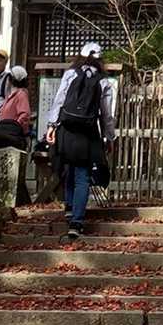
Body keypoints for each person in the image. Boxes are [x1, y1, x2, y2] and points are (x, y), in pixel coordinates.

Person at [47, 41, 116, 239]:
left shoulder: (71, 73)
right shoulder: (104, 82)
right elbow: (107, 114)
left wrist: (51, 126)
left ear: (81, 56)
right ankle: (76, 222)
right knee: (82, 175)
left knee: (69, 166)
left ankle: (69, 208)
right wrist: (109, 137)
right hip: (88, 132)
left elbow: (59, 100)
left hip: (67, 129)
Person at [0, 65, 32, 151]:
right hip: (4, 134)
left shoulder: (21, 94)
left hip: (12, 136)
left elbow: (25, 115)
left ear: (12, 80)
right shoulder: (10, 94)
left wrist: (15, 127)